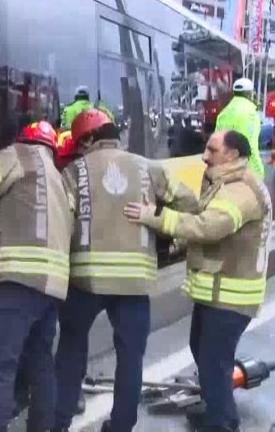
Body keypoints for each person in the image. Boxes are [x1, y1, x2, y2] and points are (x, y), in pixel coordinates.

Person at [53, 111, 198, 432]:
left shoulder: (74, 172)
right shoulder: (149, 168)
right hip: (135, 282)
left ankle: (59, 421)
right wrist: (156, 216)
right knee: (130, 357)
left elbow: (59, 220)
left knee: (72, 346)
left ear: (90, 140)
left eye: (80, 144)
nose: (79, 150)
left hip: (84, 280)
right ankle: (121, 426)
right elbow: (191, 203)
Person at [124, 130, 272, 432]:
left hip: (231, 296)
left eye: (212, 149)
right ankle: (220, 413)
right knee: (205, 353)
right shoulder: (222, 182)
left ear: (231, 155)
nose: (204, 155)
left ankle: (222, 424)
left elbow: (208, 227)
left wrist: (155, 216)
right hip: (217, 291)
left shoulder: (241, 191)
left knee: (214, 363)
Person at [0, 120, 74, 432]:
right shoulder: (60, 179)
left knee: (0, 365)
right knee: (40, 364)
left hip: (16, 282)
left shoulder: (18, 155)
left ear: (23, 139)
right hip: (52, 288)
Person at [215, 78, 264, 179]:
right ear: (249, 94)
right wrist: (259, 172)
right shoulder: (250, 114)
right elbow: (250, 147)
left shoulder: (223, 114)